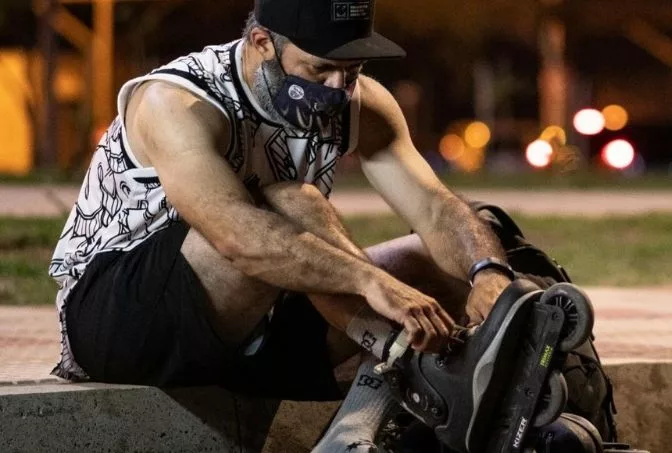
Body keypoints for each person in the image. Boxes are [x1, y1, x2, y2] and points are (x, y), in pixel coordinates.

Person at [48, 0, 540, 450]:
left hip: (256, 322)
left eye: (352, 70)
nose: (337, 88)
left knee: (430, 263)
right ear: (263, 42)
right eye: (320, 68)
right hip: (119, 319)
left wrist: (488, 274)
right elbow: (235, 236)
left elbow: (434, 207)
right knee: (293, 201)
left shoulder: (357, 101)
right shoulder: (177, 101)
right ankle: (407, 370)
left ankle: (356, 429)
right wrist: (370, 281)